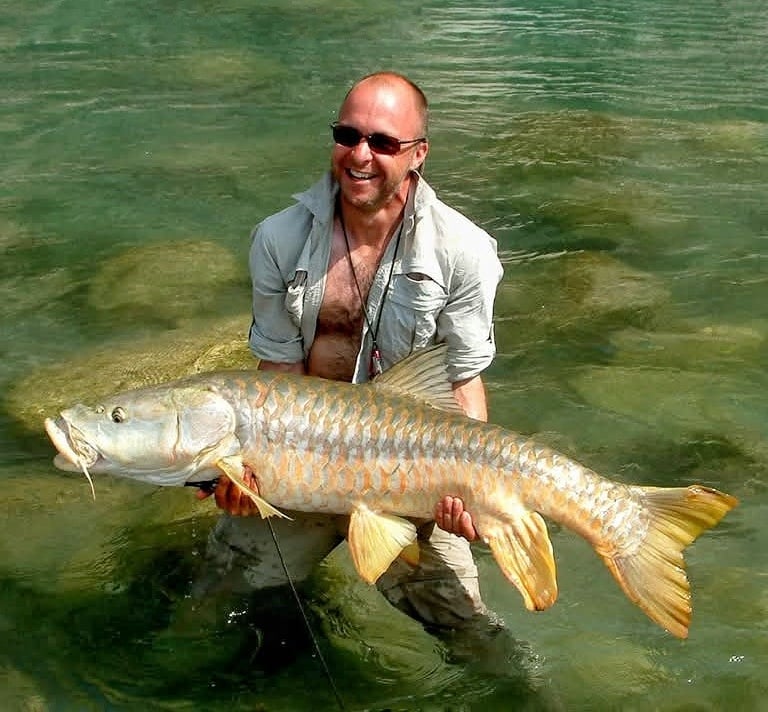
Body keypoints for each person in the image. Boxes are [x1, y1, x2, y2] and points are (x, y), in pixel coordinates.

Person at [196, 71, 504, 642]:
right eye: (348, 135)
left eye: (383, 143)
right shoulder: (277, 238)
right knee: (214, 607)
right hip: (302, 460)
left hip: (409, 468)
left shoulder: (465, 251)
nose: (360, 155)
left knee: (474, 636)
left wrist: (467, 491)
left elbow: (462, 380)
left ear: (418, 154)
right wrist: (244, 472)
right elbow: (279, 376)